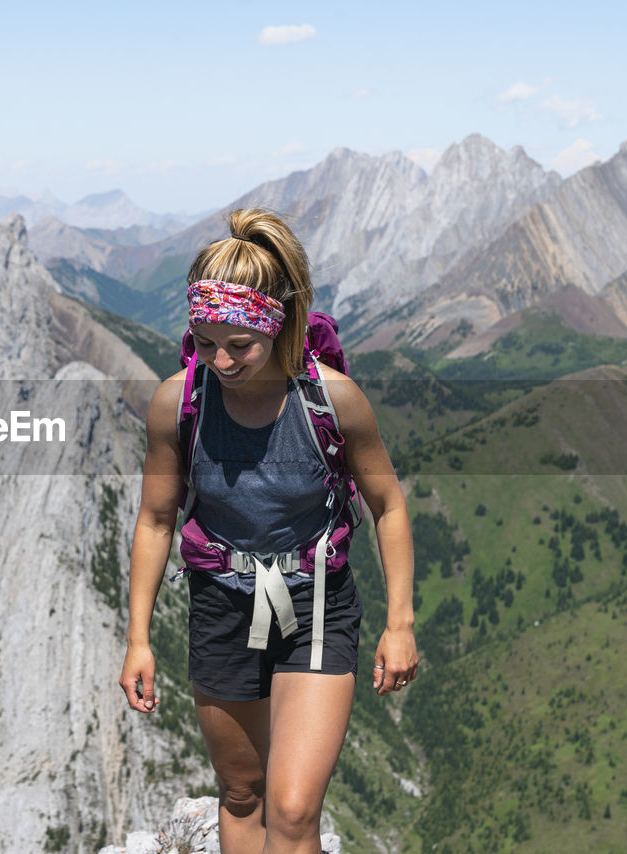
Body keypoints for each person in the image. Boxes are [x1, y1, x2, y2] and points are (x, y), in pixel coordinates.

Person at [119, 208, 418, 854]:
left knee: (290, 807)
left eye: (239, 345)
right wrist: (138, 638)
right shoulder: (178, 404)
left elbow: (388, 504)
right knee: (243, 793)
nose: (220, 360)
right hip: (221, 607)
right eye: (204, 341)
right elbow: (156, 518)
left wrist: (400, 623)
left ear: (278, 327)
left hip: (316, 605)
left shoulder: (332, 401)